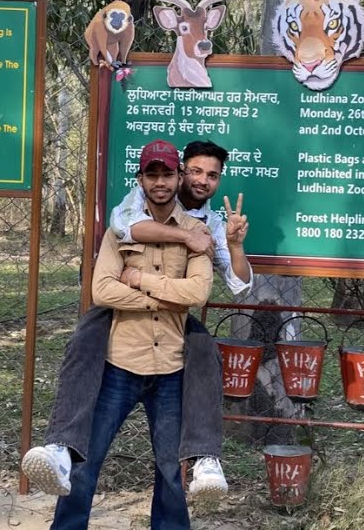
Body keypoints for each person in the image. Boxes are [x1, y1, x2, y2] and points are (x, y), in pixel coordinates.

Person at [23, 140, 252, 504]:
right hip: (122, 333)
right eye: (195, 171)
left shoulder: (210, 225)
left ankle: (205, 459)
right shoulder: (134, 203)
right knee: (86, 335)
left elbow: (227, 286)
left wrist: (234, 246)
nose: (202, 181)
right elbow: (117, 251)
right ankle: (60, 447)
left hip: (171, 339)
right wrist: (182, 246)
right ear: (182, 173)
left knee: (204, 348)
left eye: (212, 175)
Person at [37, 139, 213, 530]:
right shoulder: (122, 228)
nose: (160, 182)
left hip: (171, 367)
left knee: (170, 465)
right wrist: (165, 299)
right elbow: (102, 291)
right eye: (152, 175)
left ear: (178, 177)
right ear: (141, 179)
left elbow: (198, 292)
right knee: (85, 458)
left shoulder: (196, 233)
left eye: (167, 174)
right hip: (119, 363)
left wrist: (139, 281)